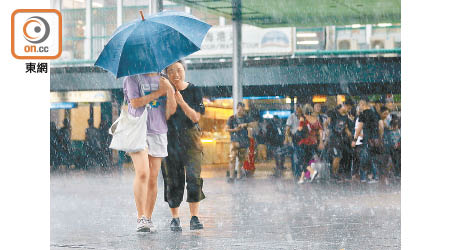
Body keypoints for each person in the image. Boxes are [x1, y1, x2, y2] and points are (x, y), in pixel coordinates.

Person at [123, 72, 176, 232]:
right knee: (143, 173)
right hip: (138, 130)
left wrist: (170, 91)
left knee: (153, 177)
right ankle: (140, 218)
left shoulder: (163, 79)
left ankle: (148, 217)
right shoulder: (132, 78)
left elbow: (170, 112)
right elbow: (135, 102)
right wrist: (159, 92)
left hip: (158, 131)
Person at [162, 60, 206, 232]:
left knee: (194, 177)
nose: (176, 74)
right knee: (173, 179)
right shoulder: (163, 92)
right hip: (170, 138)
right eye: (171, 71)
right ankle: (175, 218)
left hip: (191, 137)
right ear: (166, 73)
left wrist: (181, 101)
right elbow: (163, 117)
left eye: (179, 70)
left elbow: (196, 117)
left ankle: (194, 217)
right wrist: (170, 98)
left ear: (184, 71)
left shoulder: (194, 89)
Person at [352, 97, 384, 184]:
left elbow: (359, 128)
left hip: (367, 139)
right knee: (373, 158)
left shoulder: (363, 114)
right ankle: (375, 176)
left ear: (363, 104)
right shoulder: (375, 114)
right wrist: (379, 137)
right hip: (375, 139)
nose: (359, 107)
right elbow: (381, 126)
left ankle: (363, 177)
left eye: (359, 105)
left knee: (364, 158)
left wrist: (354, 139)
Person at [297, 104, 324, 184]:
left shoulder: (303, 118)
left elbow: (300, 128)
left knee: (301, 161)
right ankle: (301, 179)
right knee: (306, 160)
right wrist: (321, 142)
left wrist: (297, 131)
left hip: (304, 142)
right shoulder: (316, 119)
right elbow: (321, 131)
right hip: (314, 143)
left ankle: (313, 172)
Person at [326, 104, 352, 182]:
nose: (346, 108)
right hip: (333, 139)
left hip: (341, 140)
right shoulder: (334, 114)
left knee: (339, 157)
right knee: (336, 156)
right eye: (344, 106)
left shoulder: (345, 117)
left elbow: (347, 127)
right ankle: (333, 174)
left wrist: (350, 136)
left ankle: (335, 174)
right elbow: (328, 120)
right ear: (340, 108)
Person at [225, 102, 251, 182]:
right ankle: (232, 176)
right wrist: (235, 130)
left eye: (242, 109)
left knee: (241, 160)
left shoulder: (246, 118)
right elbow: (226, 129)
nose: (241, 111)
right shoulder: (232, 118)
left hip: (244, 142)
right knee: (232, 159)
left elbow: (254, 124)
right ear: (237, 108)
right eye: (239, 109)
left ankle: (239, 175)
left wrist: (245, 124)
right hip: (234, 142)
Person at [285, 103, 302, 181]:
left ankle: (299, 172)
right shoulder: (291, 116)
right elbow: (287, 128)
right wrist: (286, 139)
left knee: (300, 155)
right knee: (295, 155)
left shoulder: (303, 116)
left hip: (302, 138)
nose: (299, 110)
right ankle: (296, 172)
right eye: (298, 108)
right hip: (294, 138)